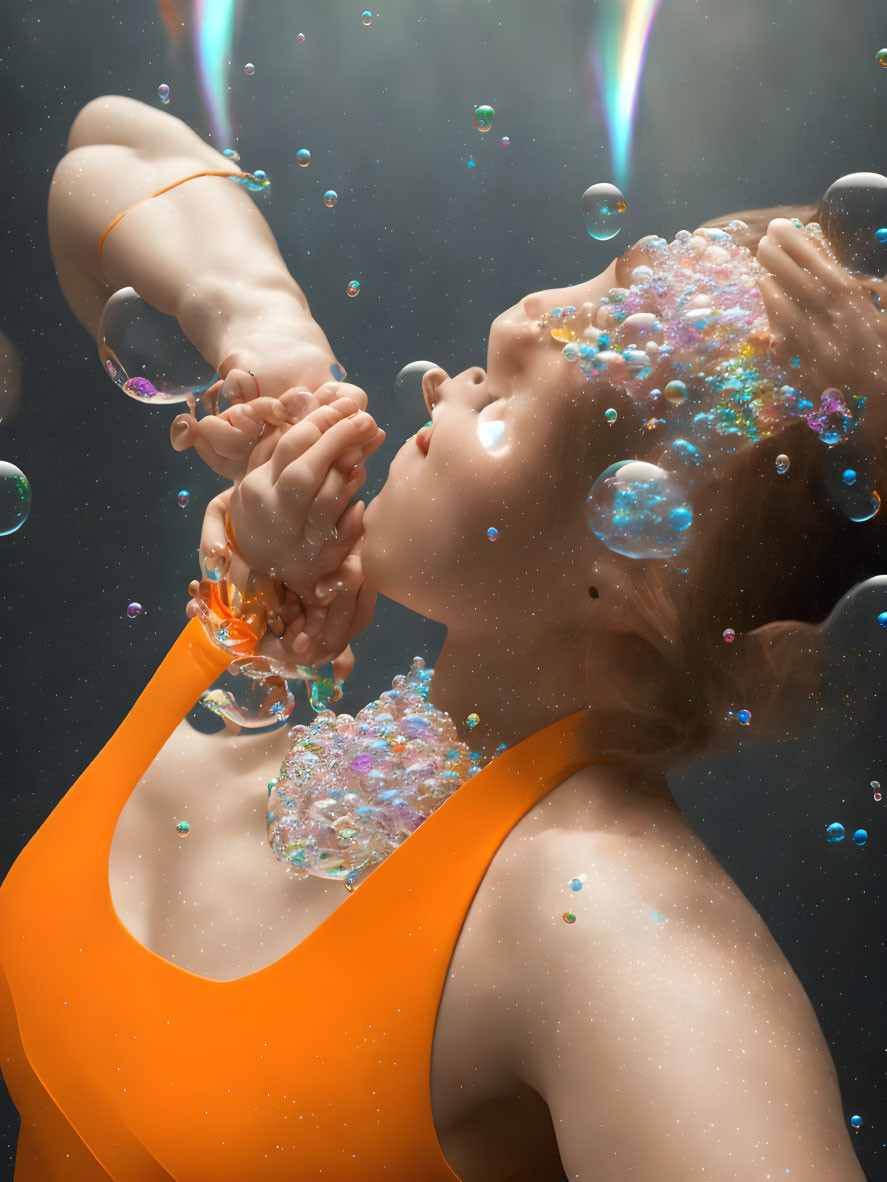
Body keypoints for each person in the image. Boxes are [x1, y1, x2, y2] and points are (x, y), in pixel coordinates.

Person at [0, 93, 877, 1180]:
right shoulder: (280, 665)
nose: (510, 320)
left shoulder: (604, 924)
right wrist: (263, 327)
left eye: (531, 391)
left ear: (650, 571)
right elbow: (108, 146)